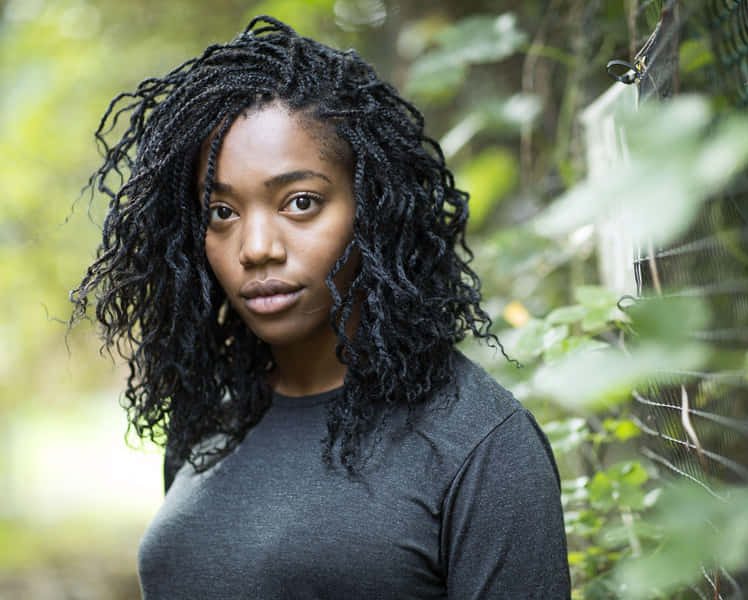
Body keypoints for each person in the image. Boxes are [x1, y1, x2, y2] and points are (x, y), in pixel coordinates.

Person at [71, 15, 570, 599]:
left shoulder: (480, 443)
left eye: (300, 202)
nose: (256, 248)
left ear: (375, 209)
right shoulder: (208, 420)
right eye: (223, 212)